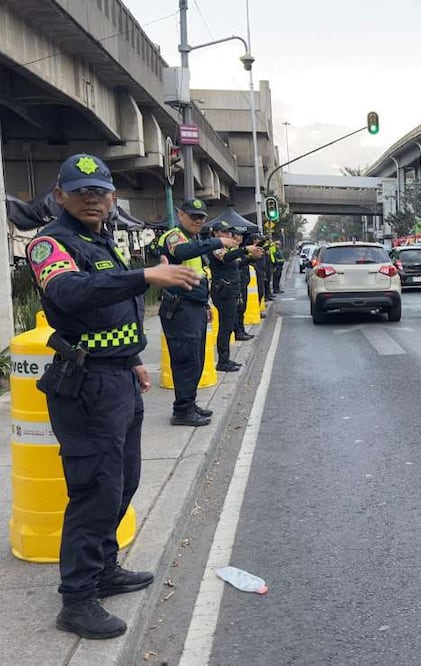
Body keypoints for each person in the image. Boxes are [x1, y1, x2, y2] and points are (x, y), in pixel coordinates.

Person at [26, 153, 201, 639]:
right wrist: (145, 276)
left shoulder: (101, 240)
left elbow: (111, 314)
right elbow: (71, 293)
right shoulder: (49, 243)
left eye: (99, 192)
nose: (91, 199)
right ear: (59, 195)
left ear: (111, 198)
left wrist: (132, 359)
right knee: (94, 491)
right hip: (86, 387)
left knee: (123, 483)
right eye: (80, 191)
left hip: (118, 377)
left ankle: (104, 569)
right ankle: (77, 598)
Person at [153, 199, 239, 426]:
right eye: (193, 216)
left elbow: (199, 275)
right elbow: (182, 252)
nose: (198, 221)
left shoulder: (194, 240)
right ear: (180, 215)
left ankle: (189, 404)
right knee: (186, 361)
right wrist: (217, 241)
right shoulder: (174, 236)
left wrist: (205, 304)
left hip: (194, 306)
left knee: (196, 359)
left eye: (201, 217)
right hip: (179, 308)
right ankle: (182, 411)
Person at [207, 222, 254, 371]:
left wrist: (251, 257)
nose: (228, 235)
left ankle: (225, 359)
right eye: (224, 232)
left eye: (229, 232)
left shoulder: (226, 248)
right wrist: (244, 249)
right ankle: (222, 361)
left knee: (228, 326)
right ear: (215, 233)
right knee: (225, 327)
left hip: (230, 290)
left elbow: (237, 264)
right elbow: (226, 258)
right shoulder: (215, 246)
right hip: (224, 291)